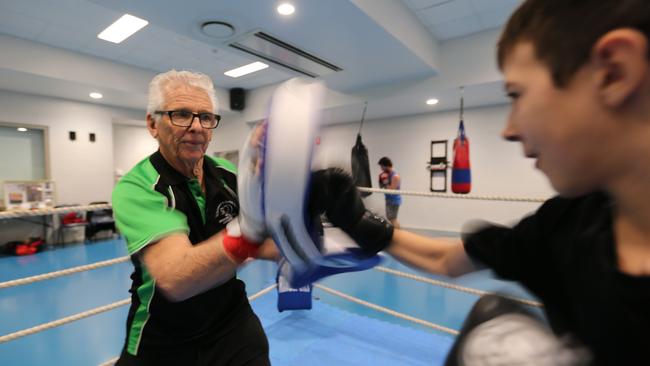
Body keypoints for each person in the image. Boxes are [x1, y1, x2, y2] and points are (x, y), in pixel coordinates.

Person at [309, 0, 650, 364]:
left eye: (517, 95)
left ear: (613, 72)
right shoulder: (567, 224)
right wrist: (357, 221)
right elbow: (444, 260)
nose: (509, 129)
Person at [111, 70, 278, 366]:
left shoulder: (226, 174)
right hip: (163, 336)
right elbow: (177, 279)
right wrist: (253, 226)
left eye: (205, 117)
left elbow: (266, 245)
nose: (196, 127)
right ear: (152, 123)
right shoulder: (138, 186)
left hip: (231, 321)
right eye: (181, 115)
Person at [377, 156, 401, 228]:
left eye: (382, 166)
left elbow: (392, 190)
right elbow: (381, 187)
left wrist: (385, 181)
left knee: (393, 219)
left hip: (394, 200)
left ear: (386, 165)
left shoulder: (395, 176)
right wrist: (380, 180)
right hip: (388, 199)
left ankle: (399, 234)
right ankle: (397, 233)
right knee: (390, 218)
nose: (381, 168)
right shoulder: (385, 175)